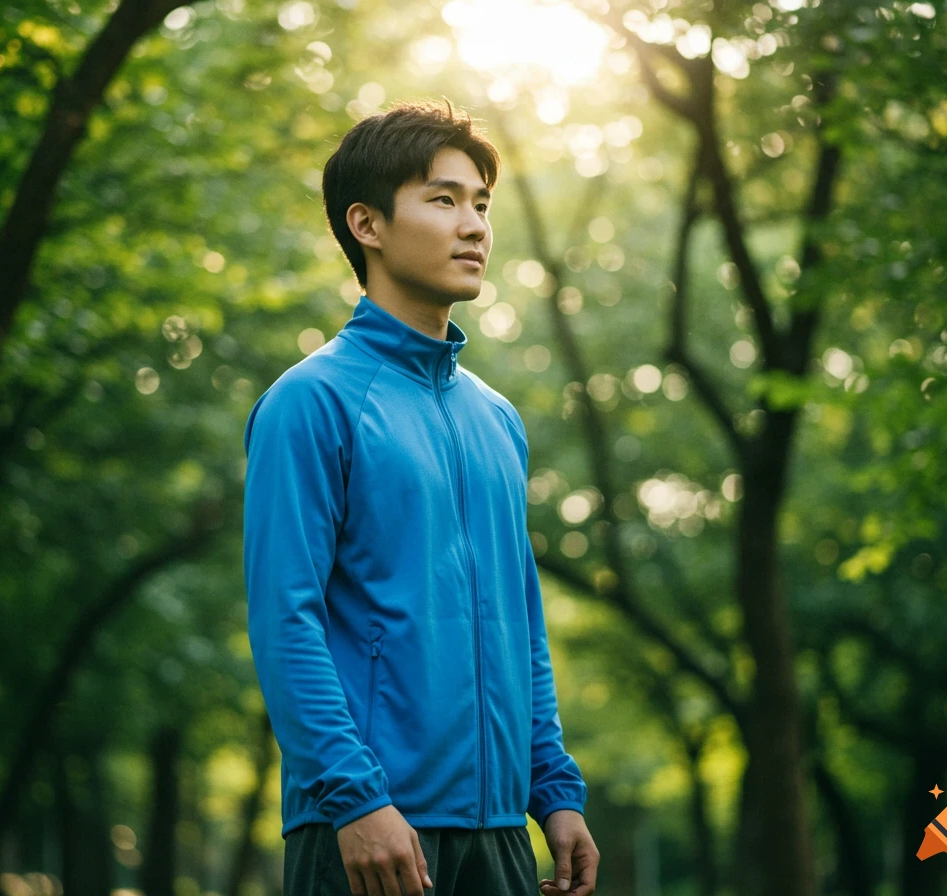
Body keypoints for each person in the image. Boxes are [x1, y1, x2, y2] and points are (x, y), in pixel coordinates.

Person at [243, 98, 599, 896]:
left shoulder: (497, 419)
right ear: (366, 225)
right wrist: (355, 799)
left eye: (481, 204)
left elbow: (522, 621)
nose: (473, 226)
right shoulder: (312, 403)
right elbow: (284, 617)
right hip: (370, 830)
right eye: (442, 200)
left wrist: (555, 792)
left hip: (502, 831)